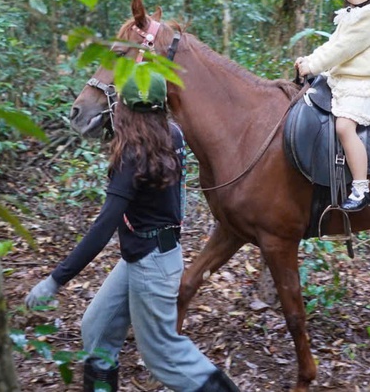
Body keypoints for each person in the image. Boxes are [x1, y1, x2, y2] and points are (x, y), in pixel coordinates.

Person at [25, 71, 239, 392]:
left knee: (164, 357)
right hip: (150, 255)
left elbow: (102, 228)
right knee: (97, 330)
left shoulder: (132, 156)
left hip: (151, 265)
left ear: (123, 107)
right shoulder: (172, 134)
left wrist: (55, 280)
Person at [295, 0, 370, 213]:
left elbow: (343, 50)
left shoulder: (369, 16)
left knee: (344, 127)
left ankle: (361, 188)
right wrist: (309, 60)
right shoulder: (350, 14)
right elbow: (332, 45)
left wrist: (314, 65)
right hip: (342, 81)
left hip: (364, 86)